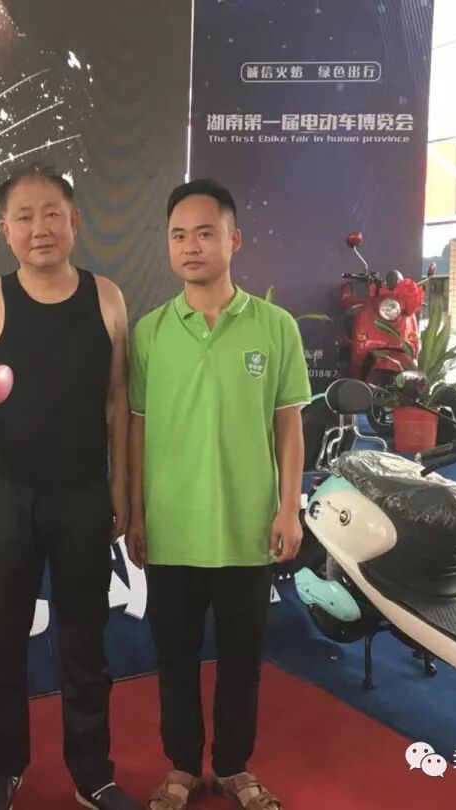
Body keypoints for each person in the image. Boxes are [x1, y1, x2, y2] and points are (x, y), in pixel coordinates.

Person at [0, 163, 139, 810]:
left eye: (52, 213)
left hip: (82, 496)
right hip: (6, 496)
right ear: (5, 231)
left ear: (74, 220)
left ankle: (92, 773)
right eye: (24, 217)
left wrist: (122, 490)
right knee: (3, 641)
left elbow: (119, 403)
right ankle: (4, 768)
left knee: (85, 643)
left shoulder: (107, 297)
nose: (39, 228)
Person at [127, 179, 309, 810]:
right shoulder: (150, 332)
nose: (191, 246)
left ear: (234, 240)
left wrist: (288, 508)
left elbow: (289, 426)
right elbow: (137, 428)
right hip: (171, 528)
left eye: (205, 233)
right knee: (174, 661)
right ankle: (181, 768)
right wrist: (136, 512)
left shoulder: (275, 327)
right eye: (179, 235)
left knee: (241, 662)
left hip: (246, 528)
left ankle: (233, 767)